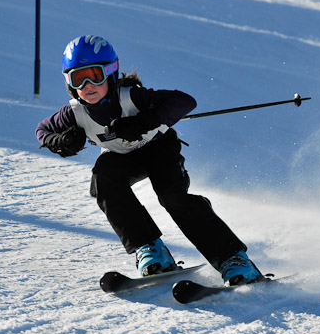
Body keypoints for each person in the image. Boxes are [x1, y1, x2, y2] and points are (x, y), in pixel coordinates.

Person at [36, 35, 265, 285]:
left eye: (95, 75)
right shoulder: (74, 112)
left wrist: (145, 120)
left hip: (159, 150)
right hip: (122, 158)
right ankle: (150, 250)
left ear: (111, 73)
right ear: (69, 83)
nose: (89, 84)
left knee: (172, 197)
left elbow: (184, 102)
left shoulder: (131, 97)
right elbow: (43, 131)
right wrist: (61, 142)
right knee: (103, 179)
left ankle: (233, 259)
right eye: (79, 78)